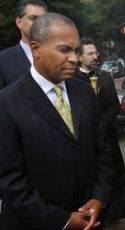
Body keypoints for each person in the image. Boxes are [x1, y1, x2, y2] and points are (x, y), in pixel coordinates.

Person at [0, 13, 113, 229]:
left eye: (77, 51)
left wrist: (99, 198)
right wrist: (63, 220)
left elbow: (104, 152)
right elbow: (9, 182)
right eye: (64, 50)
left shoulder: (85, 93)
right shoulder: (6, 104)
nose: (74, 58)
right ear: (36, 49)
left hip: (91, 219)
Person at [76, 37, 125, 229]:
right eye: (90, 53)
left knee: (113, 177)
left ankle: (115, 215)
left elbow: (114, 106)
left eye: (95, 53)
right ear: (79, 56)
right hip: (84, 140)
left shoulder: (105, 77)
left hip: (107, 137)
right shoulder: (72, 79)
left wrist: (102, 124)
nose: (95, 56)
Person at [0, 0, 47, 89]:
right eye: (33, 18)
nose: (40, 23)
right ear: (19, 22)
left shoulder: (60, 56)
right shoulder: (2, 61)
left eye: (44, 19)